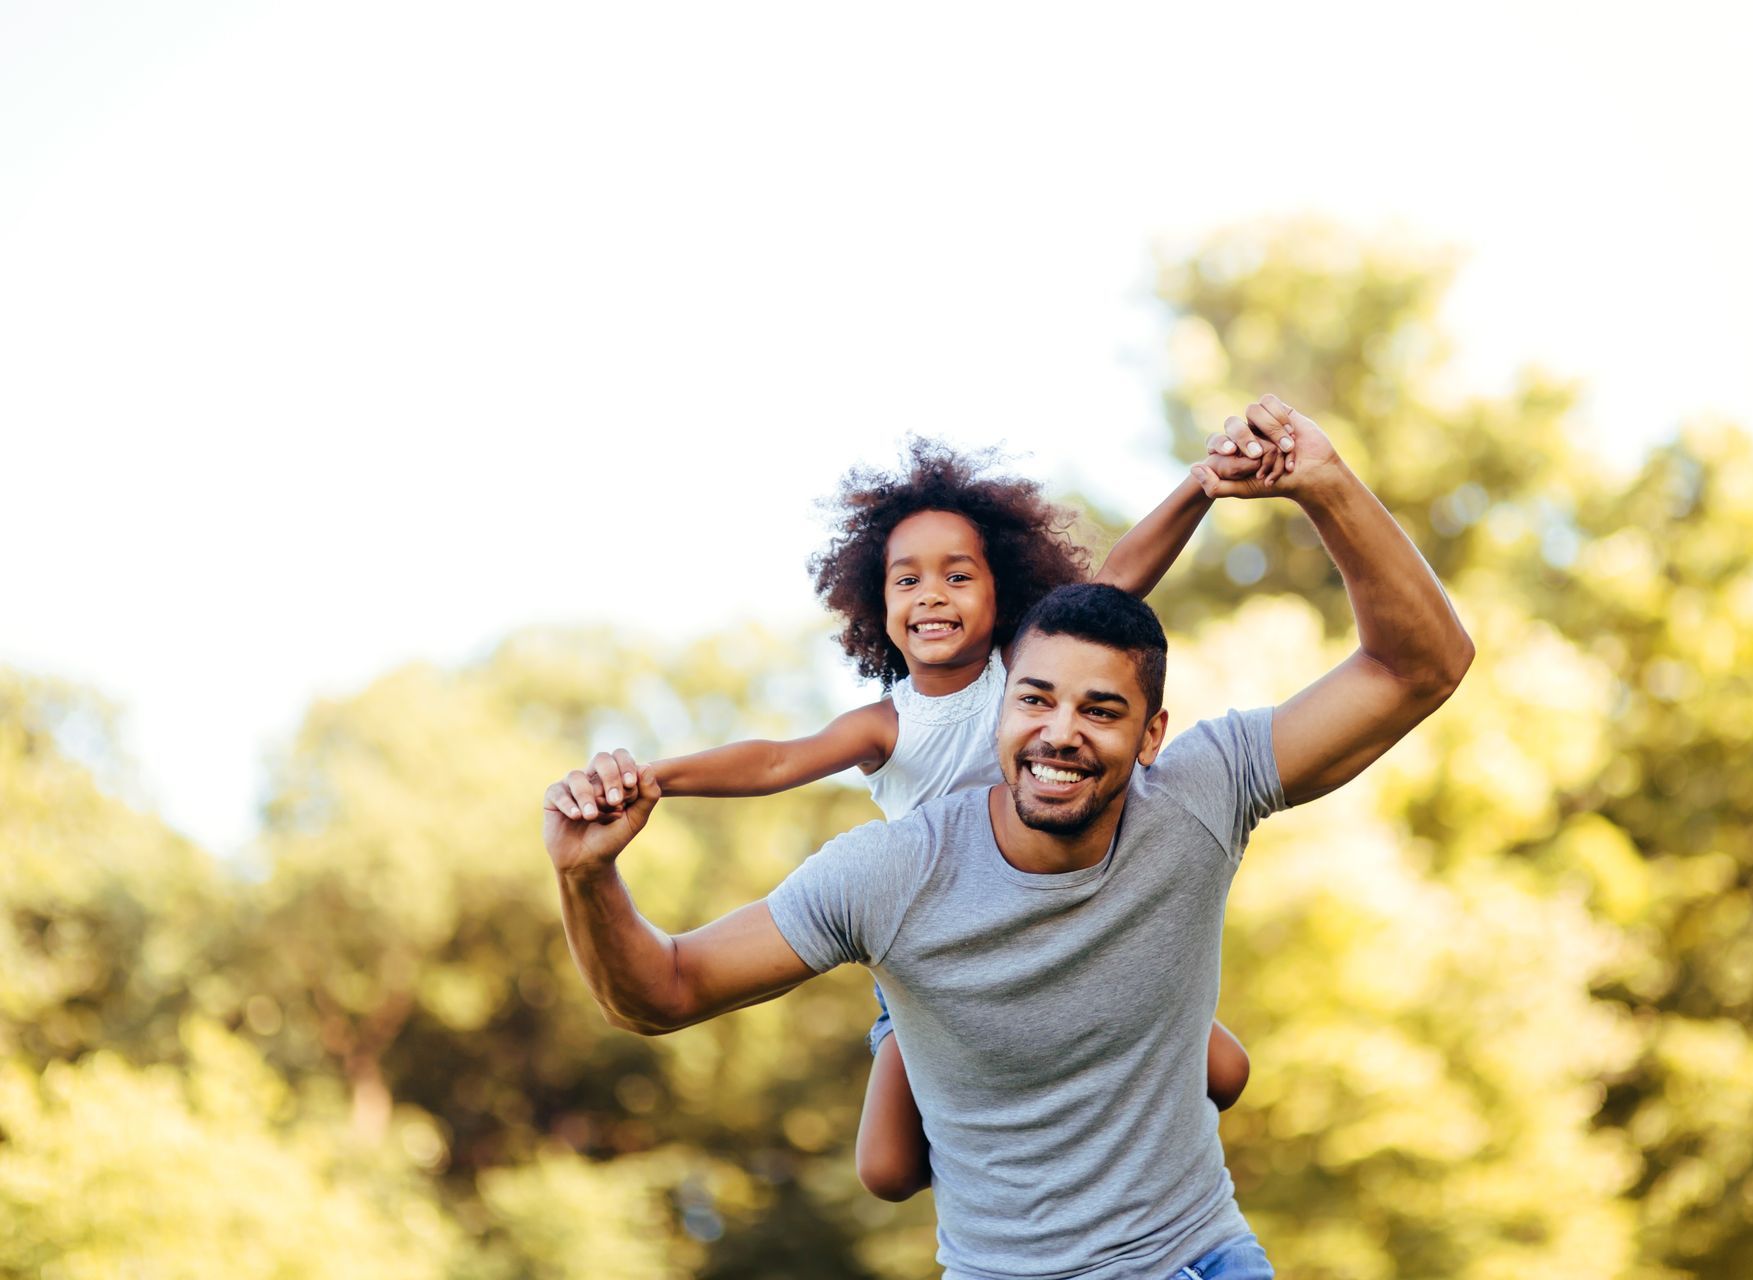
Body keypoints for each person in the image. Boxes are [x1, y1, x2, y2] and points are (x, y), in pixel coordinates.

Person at [544, 396, 1474, 1279]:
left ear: (1152, 736)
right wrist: (592, 877)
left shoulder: (1198, 792)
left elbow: (1419, 665)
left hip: (1200, 1259)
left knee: (1216, 1062)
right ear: (1005, 705)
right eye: (1035, 700)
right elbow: (661, 991)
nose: (1060, 730)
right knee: (887, 1160)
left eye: (1101, 709)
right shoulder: (891, 865)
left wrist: (1322, 481)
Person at [623, 436, 1263, 1200]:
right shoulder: (885, 726)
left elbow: (1121, 577)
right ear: (878, 602)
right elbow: (773, 762)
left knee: (1226, 1075)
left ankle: (1086, 1087)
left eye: (958, 576)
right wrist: (654, 779)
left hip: (1069, 925)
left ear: (1005, 594)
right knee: (887, 1171)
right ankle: (1000, 1108)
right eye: (908, 580)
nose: (932, 594)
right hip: (941, 950)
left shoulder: (1024, 681)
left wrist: (1201, 487)